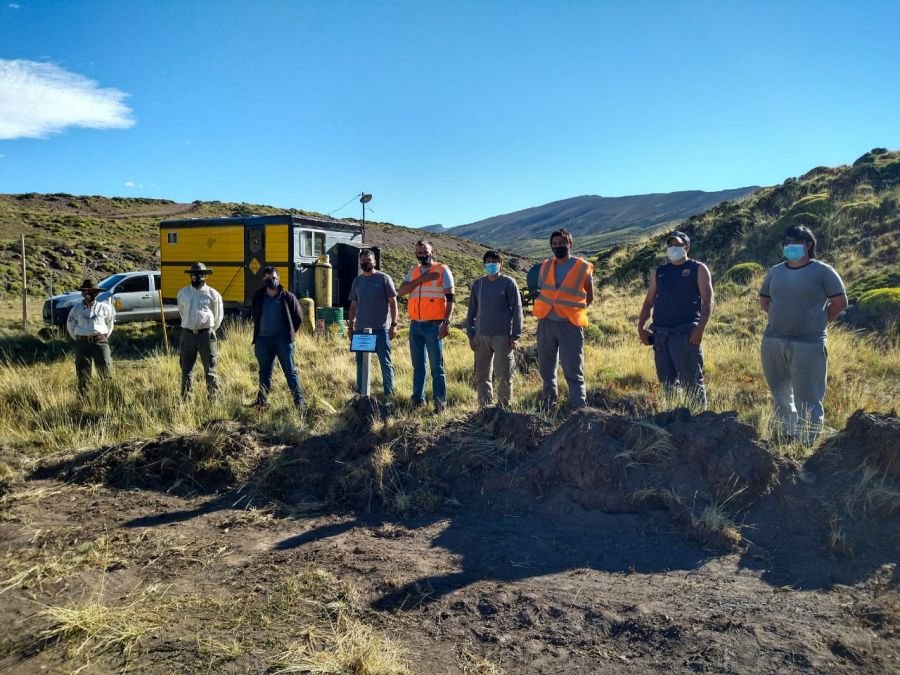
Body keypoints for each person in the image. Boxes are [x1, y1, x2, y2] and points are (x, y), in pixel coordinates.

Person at [759, 225, 847, 445]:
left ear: (808, 244)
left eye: (795, 241)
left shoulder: (823, 272)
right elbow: (765, 301)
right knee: (780, 392)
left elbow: (839, 302)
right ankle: (786, 434)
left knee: (808, 396)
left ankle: (807, 442)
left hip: (809, 343)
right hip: (773, 340)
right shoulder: (775, 271)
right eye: (786, 242)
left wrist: (818, 322)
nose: (790, 246)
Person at [637, 231, 714, 408]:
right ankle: (673, 418)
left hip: (686, 334)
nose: (673, 248)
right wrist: (641, 327)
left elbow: (708, 301)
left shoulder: (698, 268)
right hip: (661, 335)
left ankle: (698, 420)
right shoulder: (660, 272)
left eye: (677, 245)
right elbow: (649, 301)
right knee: (667, 383)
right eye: (670, 245)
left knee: (692, 381)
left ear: (686, 247)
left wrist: (700, 329)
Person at [532, 228, 594, 409]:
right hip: (546, 323)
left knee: (573, 369)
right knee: (546, 369)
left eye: (562, 243)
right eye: (555, 244)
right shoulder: (545, 266)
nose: (558, 246)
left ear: (570, 244)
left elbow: (589, 296)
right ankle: (548, 404)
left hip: (570, 325)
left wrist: (575, 312)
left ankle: (579, 408)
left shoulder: (582, 267)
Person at [396, 240, 455, 413]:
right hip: (415, 326)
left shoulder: (442, 270)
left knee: (437, 367)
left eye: (425, 251)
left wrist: (446, 322)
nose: (422, 254)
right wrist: (422, 279)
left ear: (432, 251)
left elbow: (451, 299)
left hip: (434, 325)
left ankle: (440, 404)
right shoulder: (413, 271)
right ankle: (418, 400)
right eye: (419, 252)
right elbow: (401, 291)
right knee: (418, 367)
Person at [466, 250, 523, 407]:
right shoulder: (478, 284)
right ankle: (484, 408)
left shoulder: (509, 283)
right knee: (482, 375)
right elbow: (471, 311)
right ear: (484, 264)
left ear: (501, 264)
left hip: (503, 337)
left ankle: (504, 407)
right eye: (488, 261)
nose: (491, 264)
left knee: (504, 374)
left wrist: (515, 336)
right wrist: (471, 335)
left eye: (494, 261)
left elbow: (517, 310)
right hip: (481, 337)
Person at [250, 266, 305, 410]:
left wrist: (290, 333)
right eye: (268, 278)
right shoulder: (258, 296)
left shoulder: (287, 297)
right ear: (263, 279)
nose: (271, 280)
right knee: (264, 373)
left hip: (283, 341)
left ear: (278, 279)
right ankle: (262, 403)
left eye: (273, 278)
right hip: (263, 341)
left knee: (290, 372)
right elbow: (255, 315)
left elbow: (298, 317)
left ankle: (299, 404)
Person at [347, 249, 398, 398]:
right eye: (363, 261)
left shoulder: (384, 279)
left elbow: (393, 302)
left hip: (381, 329)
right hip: (361, 330)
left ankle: (389, 393)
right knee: (361, 363)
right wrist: (351, 327)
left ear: (374, 261)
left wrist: (394, 324)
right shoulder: (357, 281)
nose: (365, 263)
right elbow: (353, 306)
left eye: (368, 260)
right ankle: (362, 394)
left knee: (385, 362)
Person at [177, 262, 224, 398]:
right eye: (194, 274)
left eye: (200, 275)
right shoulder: (183, 293)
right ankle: (186, 399)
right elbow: (182, 312)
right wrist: (190, 325)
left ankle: (214, 398)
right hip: (187, 335)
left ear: (205, 276)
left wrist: (209, 330)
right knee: (186, 370)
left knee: (210, 369)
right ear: (190, 276)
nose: (196, 277)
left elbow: (218, 316)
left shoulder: (213, 294)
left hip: (206, 336)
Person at [66, 278, 115, 396]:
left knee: (105, 371)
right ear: (82, 293)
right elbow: (70, 326)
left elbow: (110, 324)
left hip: (100, 342)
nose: (89, 293)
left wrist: (102, 337)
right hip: (82, 344)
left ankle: (107, 398)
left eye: (92, 291)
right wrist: (80, 338)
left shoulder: (104, 308)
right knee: (83, 373)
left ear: (97, 293)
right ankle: (84, 400)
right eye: (87, 291)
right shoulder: (76, 309)